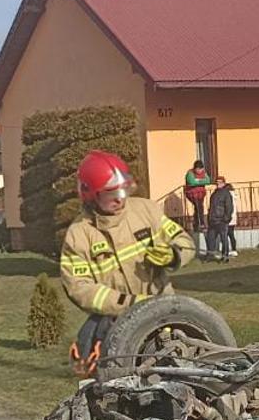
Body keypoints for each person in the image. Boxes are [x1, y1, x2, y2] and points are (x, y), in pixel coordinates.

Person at [62, 150, 197, 377]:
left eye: (123, 190)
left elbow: (184, 241)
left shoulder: (146, 210)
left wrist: (173, 255)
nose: (120, 198)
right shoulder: (79, 235)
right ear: (91, 195)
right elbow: (80, 288)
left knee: (182, 381)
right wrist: (128, 303)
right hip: (118, 327)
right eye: (111, 193)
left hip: (166, 315)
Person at [207, 176, 235, 262]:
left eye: (220, 182)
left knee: (224, 238)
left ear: (224, 183)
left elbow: (229, 207)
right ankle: (210, 255)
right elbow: (211, 207)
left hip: (222, 220)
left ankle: (225, 255)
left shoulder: (226, 193)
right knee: (211, 238)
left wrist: (226, 218)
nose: (218, 183)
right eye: (217, 182)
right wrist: (209, 217)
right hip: (213, 220)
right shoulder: (214, 194)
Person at [183, 160, 213, 241]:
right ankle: (201, 223)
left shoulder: (204, 173)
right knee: (199, 206)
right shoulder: (190, 173)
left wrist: (198, 181)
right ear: (195, 168)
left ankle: (196, 224)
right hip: (192, 193)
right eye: (198, 169)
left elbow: (208, 181)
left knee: (198, 207)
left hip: (200, 194)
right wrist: (200, 182)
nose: (199, 171)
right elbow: (191, 182)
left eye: (201, 169)